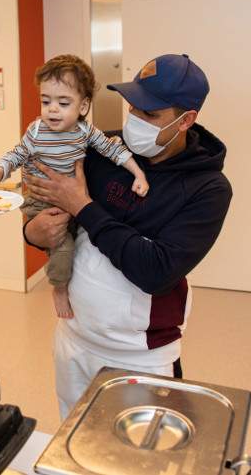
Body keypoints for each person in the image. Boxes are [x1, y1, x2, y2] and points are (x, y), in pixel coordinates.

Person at [22, 53, 232, 418]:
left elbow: (155, 271)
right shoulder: (103, 150)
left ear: (187, 120)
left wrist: (84, 205)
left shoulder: (208, 188)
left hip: (140, 356)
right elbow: (47, 204)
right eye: (133, 109)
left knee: (138, 460)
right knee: (71, 447)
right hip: (73, 338)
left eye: (150, 115)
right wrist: (33, 232)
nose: (135, 121)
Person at [0, 55, 148, 318]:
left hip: (74, 201)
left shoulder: (86, 132)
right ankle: (59, 288)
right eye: (46, 101)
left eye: (63, 102)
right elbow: (16, 155)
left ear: (83, 106)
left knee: (87, 244)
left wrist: (138, 174)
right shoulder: (36, 132)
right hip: (41, 202)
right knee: (65, 247)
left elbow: (113, 150)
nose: (52, 109)